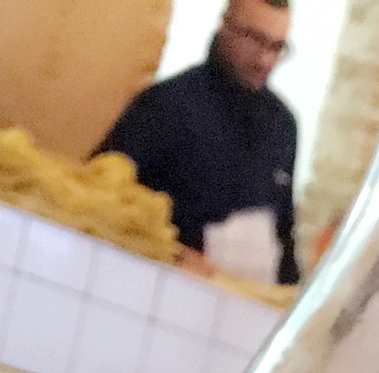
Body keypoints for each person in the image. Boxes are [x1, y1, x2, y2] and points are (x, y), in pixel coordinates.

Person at [97, 0, 298, 285]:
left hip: (242, 299)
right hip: (158, 284)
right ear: (226, 26)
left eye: (277, 47)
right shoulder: (166, 106)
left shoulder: (282, 126)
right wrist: (172, 253)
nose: (265, 59)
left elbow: (282, 231)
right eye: (255, 39)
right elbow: (101, 202)